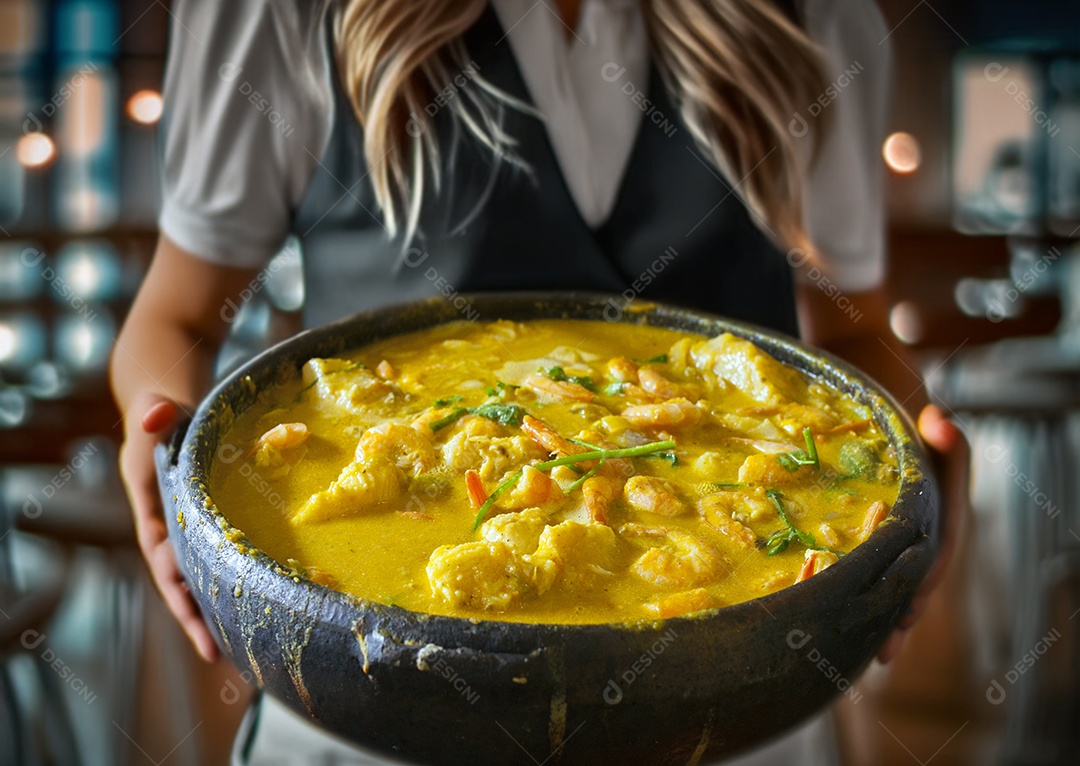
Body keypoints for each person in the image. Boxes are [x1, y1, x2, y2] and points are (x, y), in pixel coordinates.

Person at [111, 0, 969, 763]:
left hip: (733, 702)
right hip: (365, 701)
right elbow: (177, 318)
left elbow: (853, 333)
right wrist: (155, 437)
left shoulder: (819, 18)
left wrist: (917, 454)